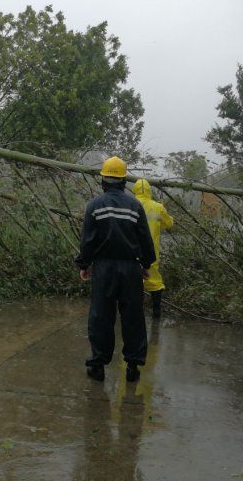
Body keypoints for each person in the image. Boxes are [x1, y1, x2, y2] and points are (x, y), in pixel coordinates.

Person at [75, 156, 156, 383]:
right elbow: (145, 240)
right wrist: (146, 264)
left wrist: (84, 264)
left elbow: (88, 241)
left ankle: (98, 365)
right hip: (131, 269)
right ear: (123, 181)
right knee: (133, 317)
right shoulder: (135, 206)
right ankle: (133, 367)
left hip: (104, 269)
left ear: (103, 179)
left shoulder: (94, 206)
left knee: (101, 316)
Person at [132, 178, 174, 318]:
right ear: (150, 191)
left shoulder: (129, 204)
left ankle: (133, 313)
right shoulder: (157, 207)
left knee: (131, 282)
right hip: (151, 252)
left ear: (134, 190)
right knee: (154, 282)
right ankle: (156, 313)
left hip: (131, 251)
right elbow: (169, 224)